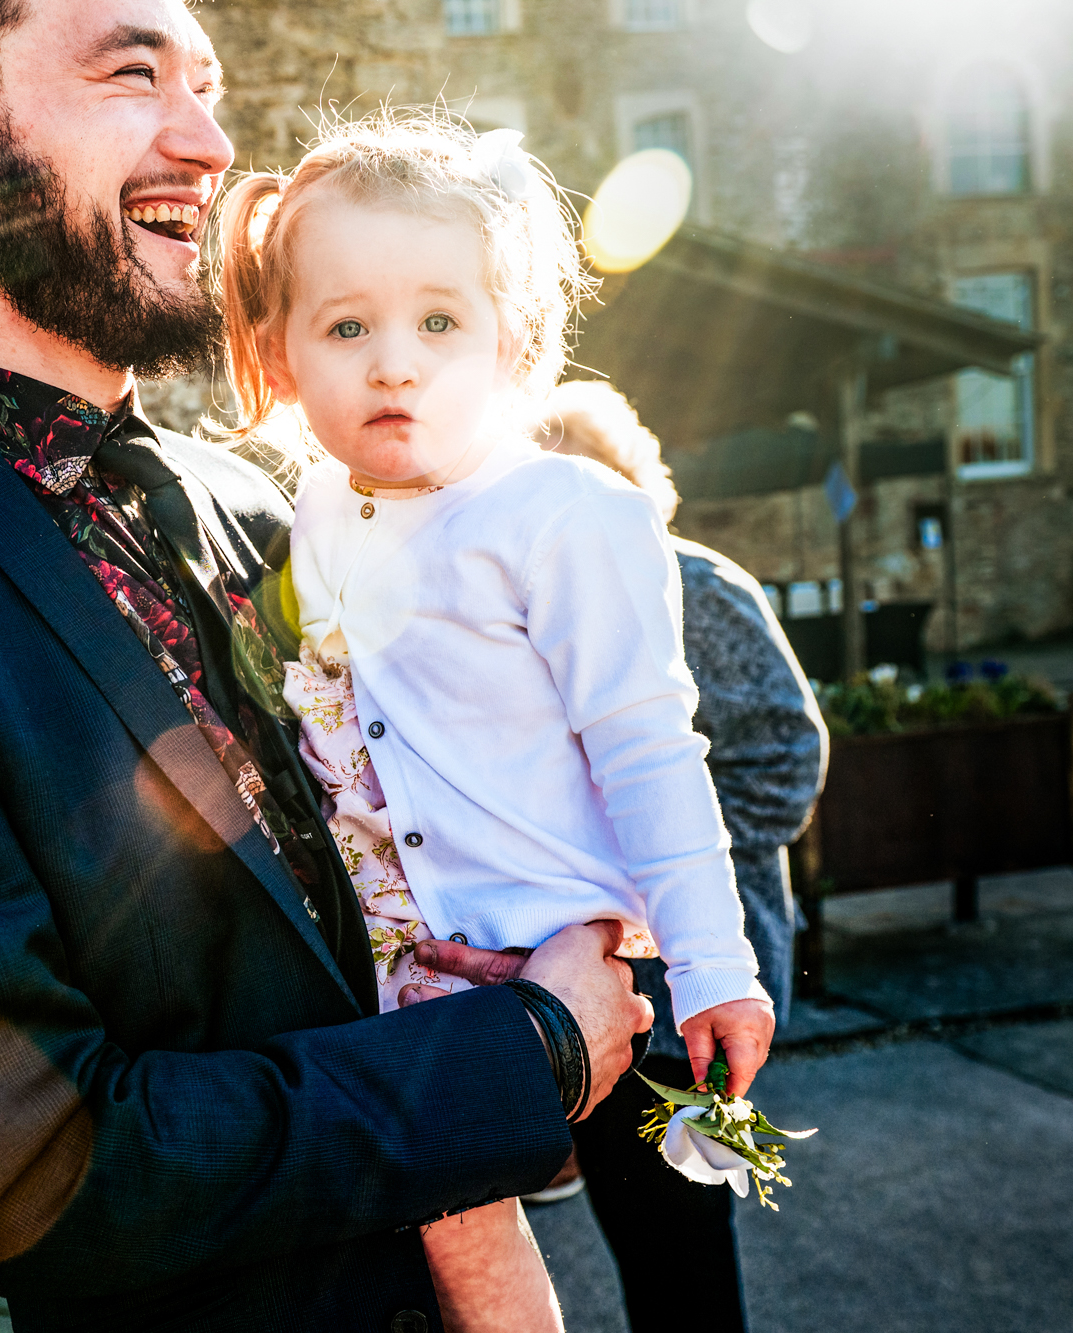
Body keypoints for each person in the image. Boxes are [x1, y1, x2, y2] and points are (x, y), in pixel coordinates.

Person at [0, 3, 653, 1330]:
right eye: (134, 74)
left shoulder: (269, 506)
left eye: (207, 83)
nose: (209, 141)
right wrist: (522, 1052)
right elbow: (25, 1170)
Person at [211, 114, 777, 1333]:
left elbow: (648, 749)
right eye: (345, 325)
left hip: (611, 993)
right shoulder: (307, 509)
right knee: (462, 1268)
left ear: (510, 336)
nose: (393, 364)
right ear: (279, 351)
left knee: (678, 1270)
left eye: (438, 321)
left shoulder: (561, 515)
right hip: (436, 1006)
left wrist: (710, 966)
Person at [537, 380, 828, 1333]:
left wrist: (666, 865)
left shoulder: (693, 583)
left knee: (683, 1253)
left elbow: (789, 757)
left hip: (690, 1001)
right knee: (651, 1240)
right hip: (616, 997)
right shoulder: (553, 600)